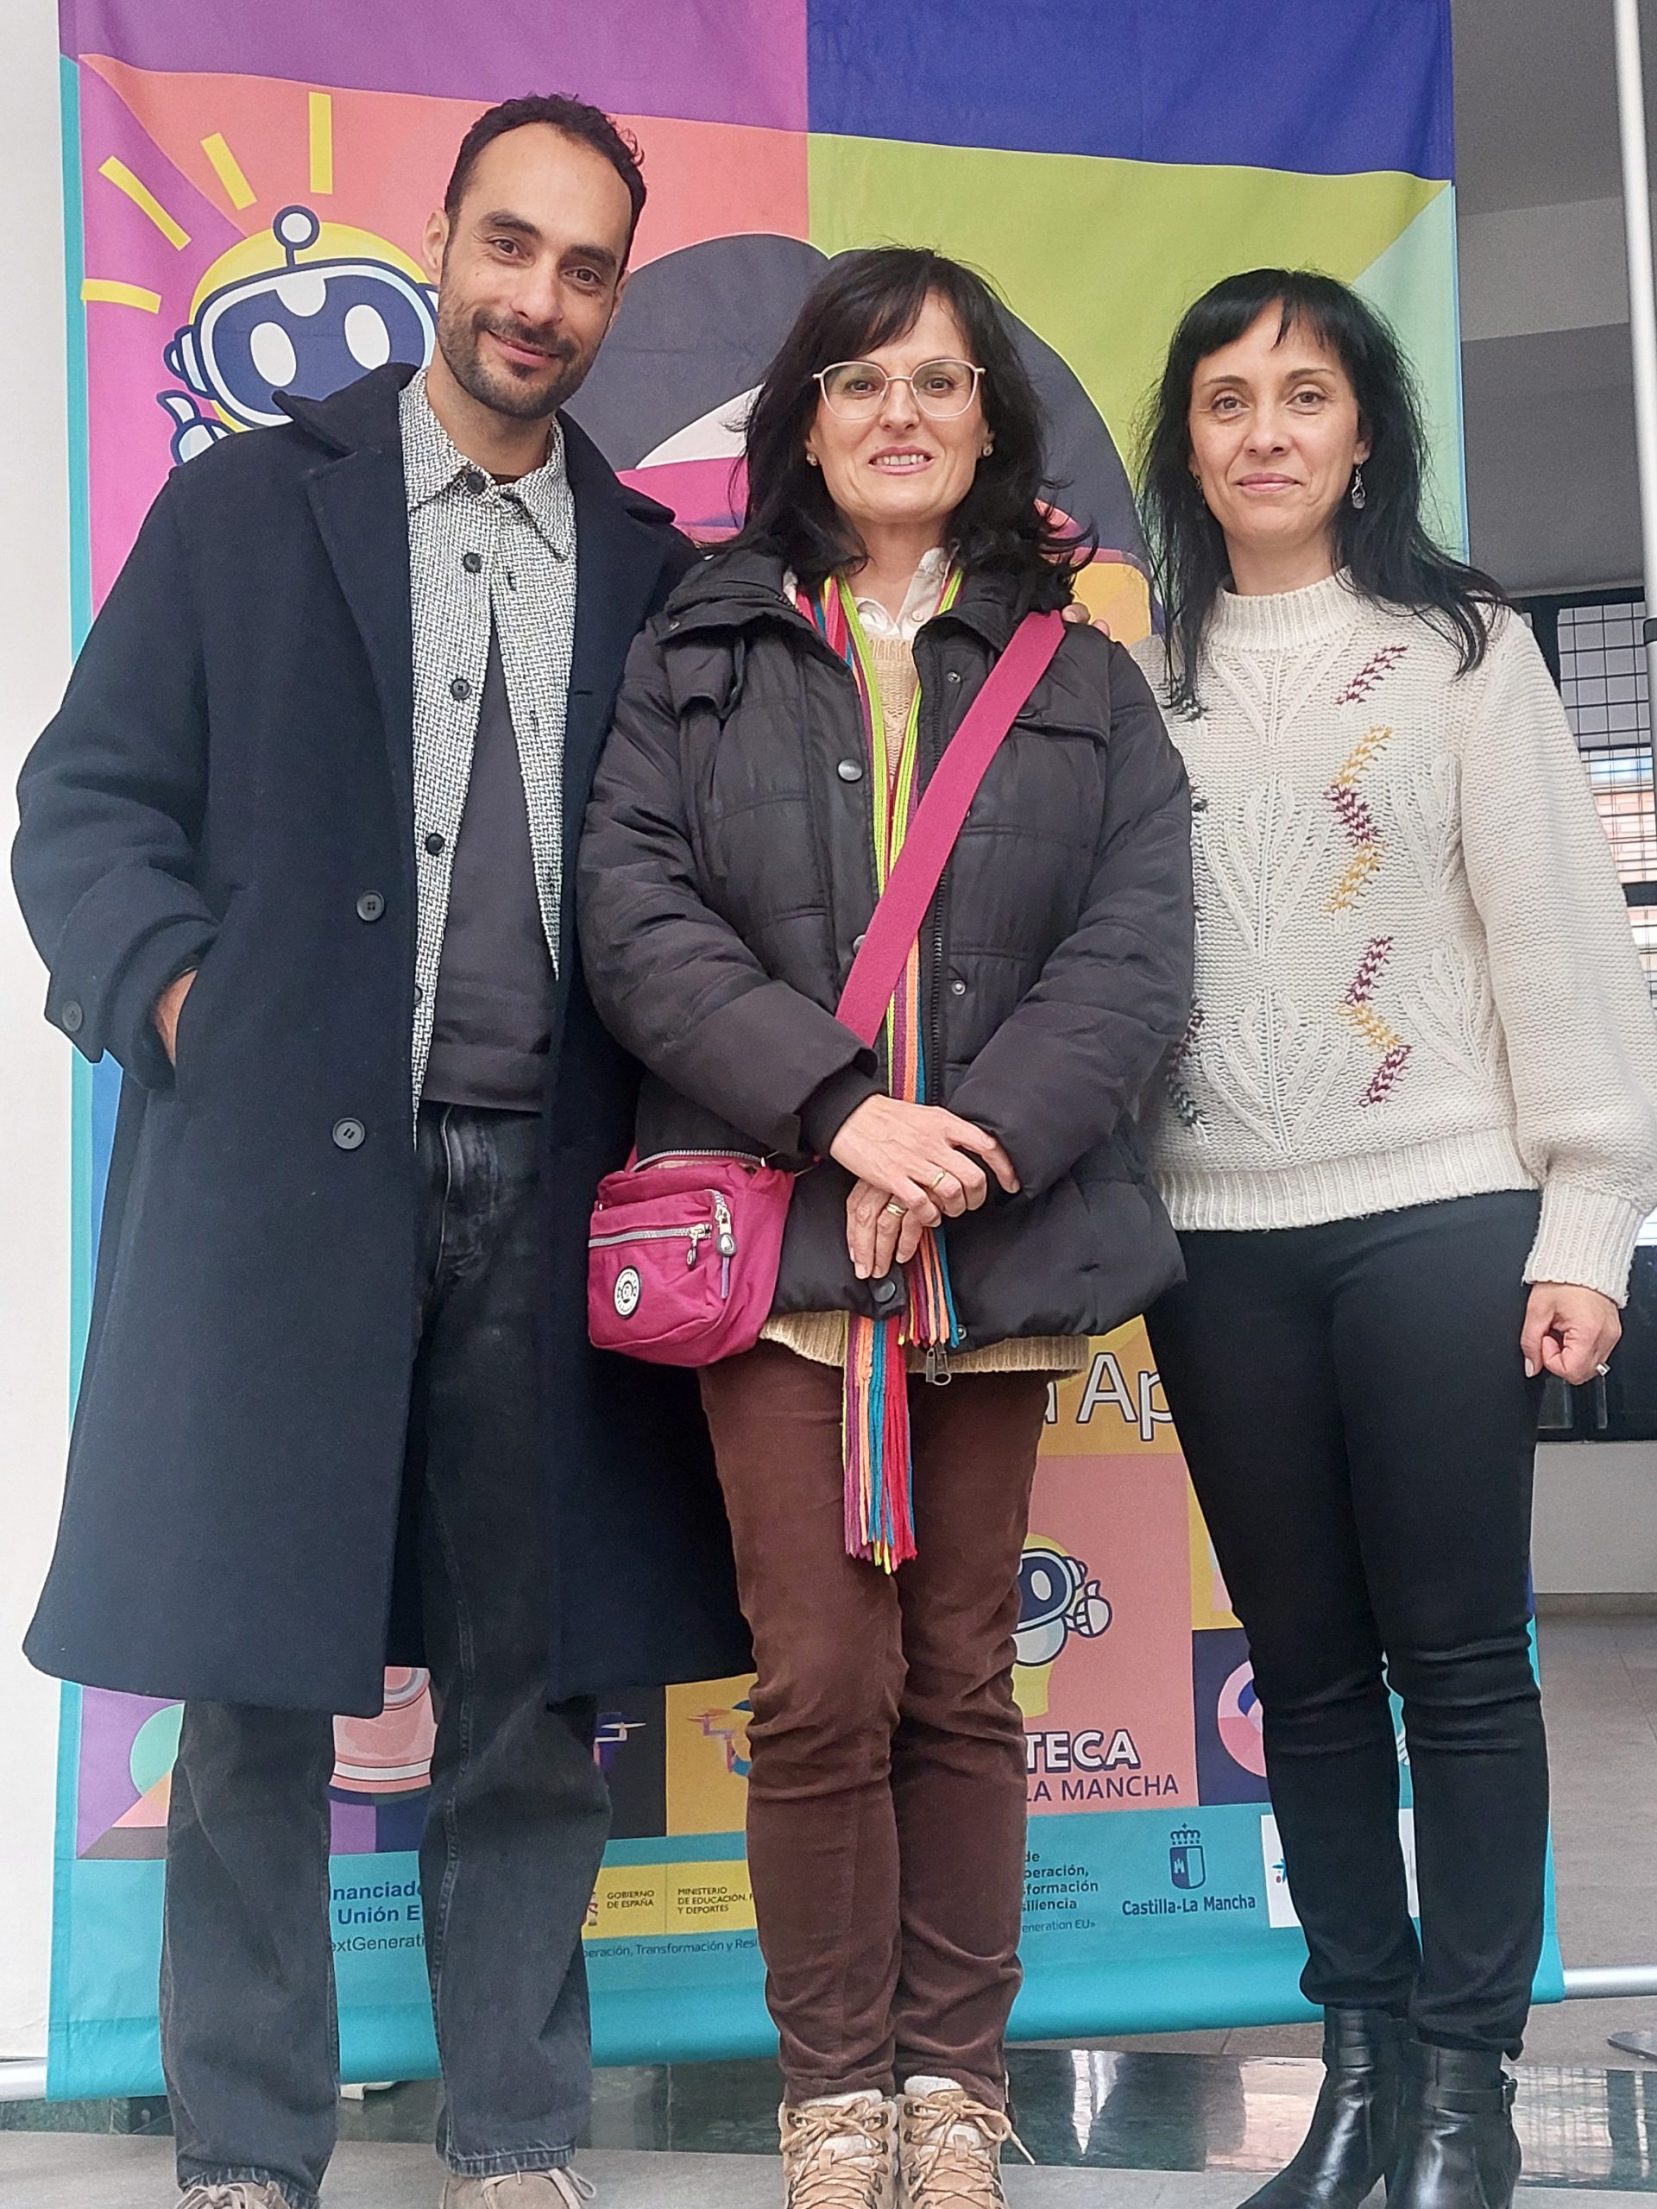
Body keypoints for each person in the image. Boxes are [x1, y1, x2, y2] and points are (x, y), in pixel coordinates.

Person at [12, 94, 747, 2209]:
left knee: (531, 1688)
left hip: (558, 1193)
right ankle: (248, 2143)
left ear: (613, 295)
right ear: (441, 241)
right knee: (250, 1675)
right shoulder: (249, 509)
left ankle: (513, 2130)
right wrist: (187, 1013)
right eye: (509, 245)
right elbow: (85, 807)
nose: (538, 298)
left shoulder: (656, 575)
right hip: (280, 1185)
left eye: (584, 268)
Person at [579, 246, 1194, 2209]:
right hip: (778, 1248)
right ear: (805, 422)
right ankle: (834, 2097)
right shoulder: (696, 646)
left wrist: (970, 1144)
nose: (901, 412)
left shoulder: (1084, 677)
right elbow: (633, 916)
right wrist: (844, 1112)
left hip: (991, 1245)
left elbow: (1133, 949)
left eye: (939, 379)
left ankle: (954, 2095)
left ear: (991, 422)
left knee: (957, 1680)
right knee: (818, 1689)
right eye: (860, 380)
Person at [1134, 268, 1657, 2209]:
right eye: (1225, 398)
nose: (1263, 429)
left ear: (1364, 434)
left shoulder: (1461, 651)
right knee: (1305, 1671)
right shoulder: (1134, 676)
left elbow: (1560, 944)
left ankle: (1463, 2096)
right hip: (1213, 1239)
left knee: (1460, 1666)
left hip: (1439, 1210)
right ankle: (1354, 2073)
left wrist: (1586, 1216)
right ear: (1186, 444)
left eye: (1303, 393)